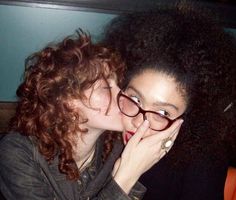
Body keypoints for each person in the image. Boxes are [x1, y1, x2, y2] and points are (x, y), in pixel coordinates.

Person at [0, 30, 182, 200]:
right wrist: (126, 177)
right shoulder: (18, 152)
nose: (122, 94)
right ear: (68, 101)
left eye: (119, 84)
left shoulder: (121, 147)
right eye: (105, 88)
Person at [103, 3, 236, 200]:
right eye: (135, 98)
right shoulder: (106, 136)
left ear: (188, 117)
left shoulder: (202, 163)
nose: (140, 122)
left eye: (162, 113)